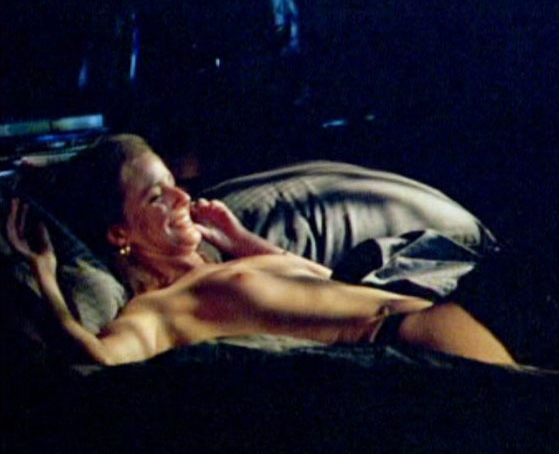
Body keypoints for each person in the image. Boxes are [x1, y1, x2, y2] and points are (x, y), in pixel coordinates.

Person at [6, 134, 515, 367]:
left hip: (437, 307)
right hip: (406, 341)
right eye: (157, 197)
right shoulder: (160, 308)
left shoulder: (229, 264)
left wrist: (239, 242)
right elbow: (100, 357)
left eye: (175, 185)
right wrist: (45, 275)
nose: (181, 198)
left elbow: (323, 282)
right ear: (120, 234)